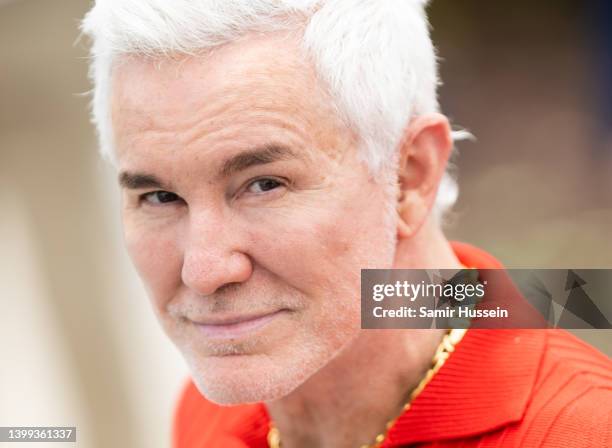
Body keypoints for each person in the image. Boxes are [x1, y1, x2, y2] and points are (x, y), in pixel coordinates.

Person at [80, 1, 612, 447]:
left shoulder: (578, 430)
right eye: (160, 196)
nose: (204, 270)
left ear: (409, 176)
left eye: (264, 184)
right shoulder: (212, 410)